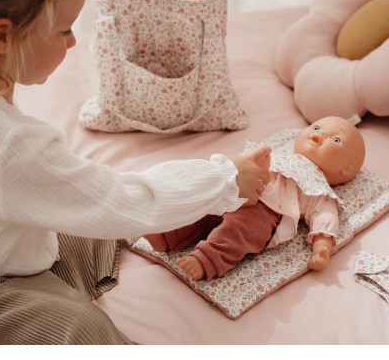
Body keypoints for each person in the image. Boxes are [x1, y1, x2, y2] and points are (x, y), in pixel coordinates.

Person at [0, 0, 271, 345]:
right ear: (2, 36)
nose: (73, 42)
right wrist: (225, 178)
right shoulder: (8, 143)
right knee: (80, 325)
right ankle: (158, 223)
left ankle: (159, 225)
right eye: (64, 30)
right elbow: (119, 200)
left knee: (73, 210)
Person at [145, 116, 365, 279]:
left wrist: (322, 246)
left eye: (336, 140)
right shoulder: (279, 153)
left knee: (239, 231)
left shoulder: (319, 187)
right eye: (316, 127)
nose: (319, 135)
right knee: (205, 205)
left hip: (265, 211)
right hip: (237, 189)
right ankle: (168, 234)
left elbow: (325, 215)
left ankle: (207, 259)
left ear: (346, 170)